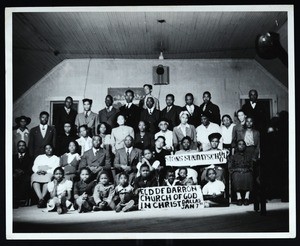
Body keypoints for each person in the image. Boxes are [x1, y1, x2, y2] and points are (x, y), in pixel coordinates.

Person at [31, 144, 60, 208]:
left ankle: (41, 200)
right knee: (34, 177)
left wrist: (46, 171)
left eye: (50, 148)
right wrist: (37, 171)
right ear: (44, 150)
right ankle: (41, 199)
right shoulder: (39, 157)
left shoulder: (56, 158)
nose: (48, 150)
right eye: (46, 148)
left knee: (47, 179)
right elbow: (34, 166)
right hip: (39, 172)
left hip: (49, 173)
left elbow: (56, 168)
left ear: (52, 149)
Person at [228, 140, 254, 206]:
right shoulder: (233, 157)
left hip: (246, 171)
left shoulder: (249, 156)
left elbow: (252, 166)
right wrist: (237, 170)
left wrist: (247, 170)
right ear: (237, 146)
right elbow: (230, 167)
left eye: (243, 144)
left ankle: (246, 197)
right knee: (236, 176)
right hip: (237, 171)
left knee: (249, 175)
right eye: (239, 144)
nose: (241, 146)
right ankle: (238, 198)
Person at [13, 140, 33, 208]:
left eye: (23, 145)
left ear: (25, 147)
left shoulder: (30, 157)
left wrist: (22, 171)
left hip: (25, 174)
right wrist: (16, 171)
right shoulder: (13, 157)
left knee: (26, 179)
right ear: (17, 147)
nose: (21, 147)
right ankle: (14, 200)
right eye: (20, 146)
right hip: (15, 174)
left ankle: (23, 200)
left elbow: (30, 169)